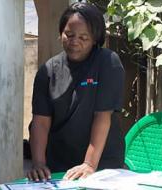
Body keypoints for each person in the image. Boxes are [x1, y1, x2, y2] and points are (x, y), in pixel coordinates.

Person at [27, 2, 125, 181]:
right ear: (60, 33)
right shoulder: (48, 71)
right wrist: (39, 163)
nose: (74, 42)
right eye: (69, 35)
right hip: (59, 165)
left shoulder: (108, 63)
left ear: (95, 39)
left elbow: (102, 117)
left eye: (83, 37)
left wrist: (89, 164)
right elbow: (40, 122)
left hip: (101, 165)